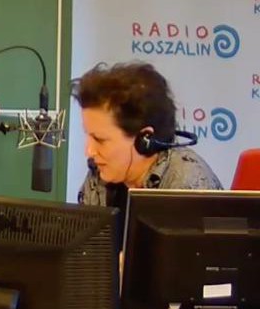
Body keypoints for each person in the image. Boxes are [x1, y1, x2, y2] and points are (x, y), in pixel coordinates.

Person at [70, 61, 222, 243]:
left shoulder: (186, 186)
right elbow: (87, 250)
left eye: (100, 140)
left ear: (145, 140)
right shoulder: (99, 174)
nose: (89, 151)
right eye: (88, 136)